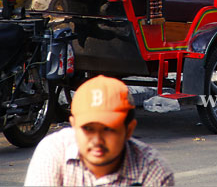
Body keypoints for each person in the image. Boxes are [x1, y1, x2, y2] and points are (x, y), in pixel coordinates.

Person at [24, 76, 174, 186]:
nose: (97, 140)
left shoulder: (152, 170)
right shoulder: (54, 153)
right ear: (74, 126)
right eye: (88, 129)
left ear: (129, 130)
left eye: (108, 129)